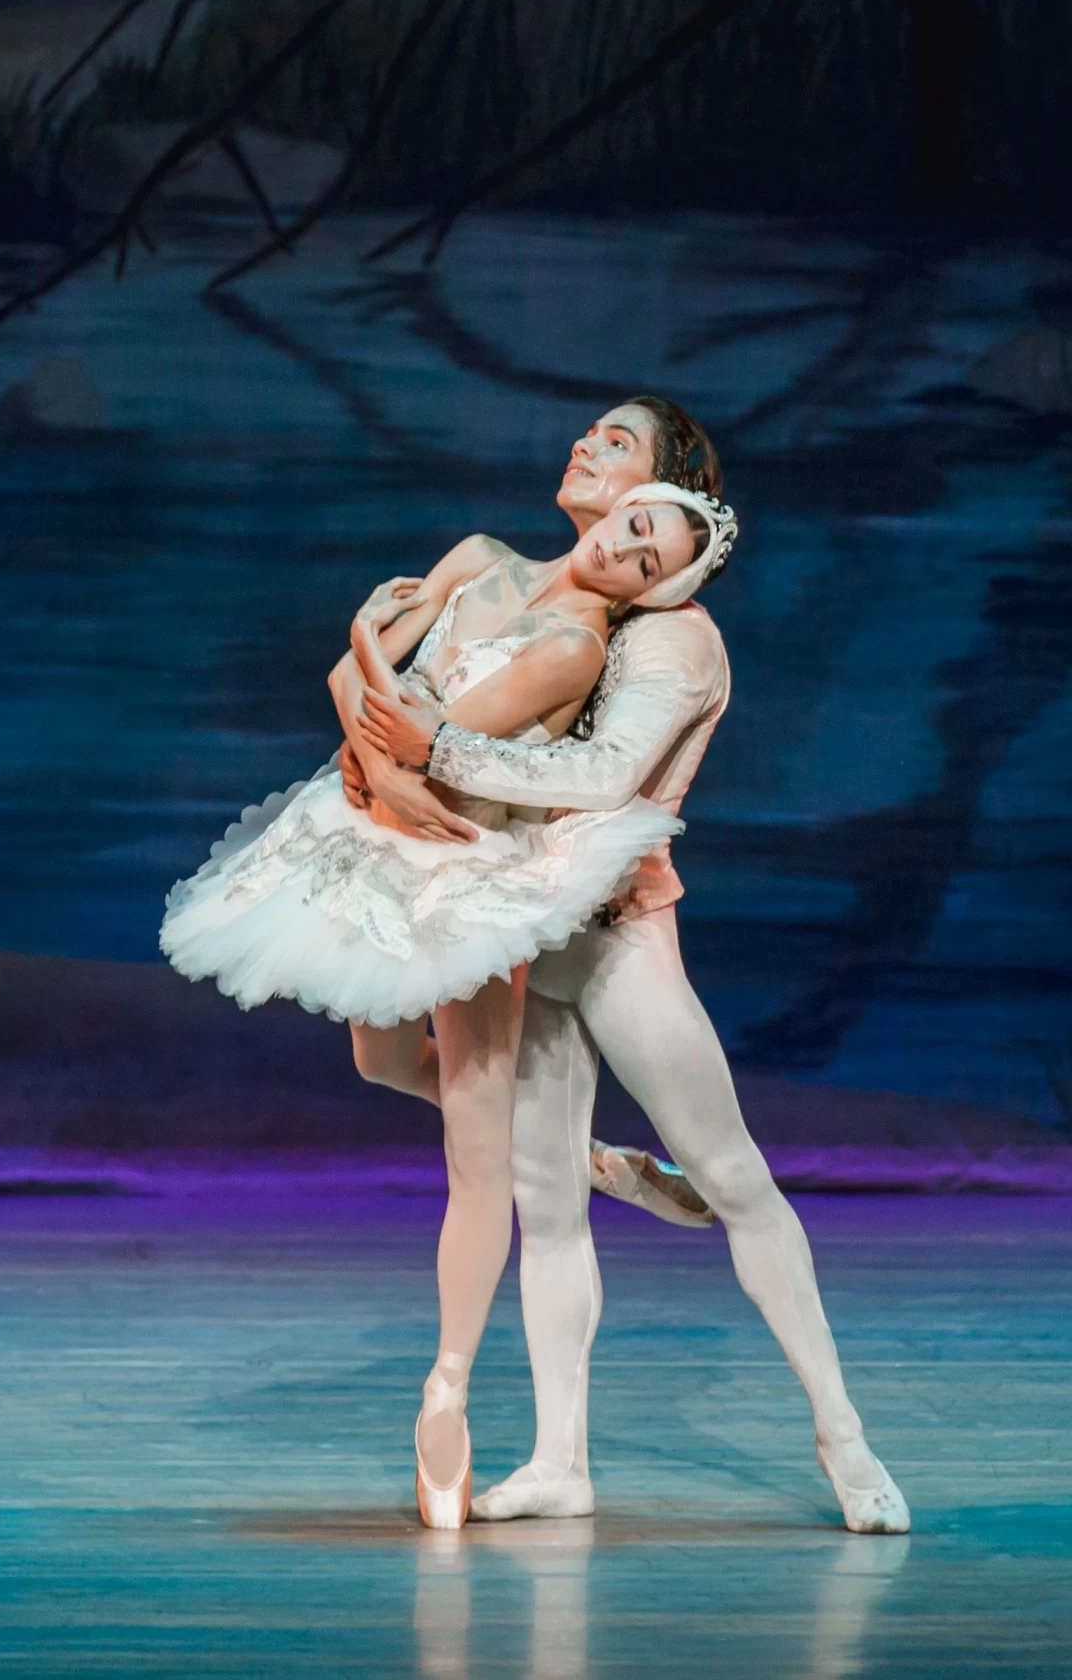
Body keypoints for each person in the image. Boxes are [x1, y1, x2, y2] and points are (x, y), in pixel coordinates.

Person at [356, 396, 910, 1536]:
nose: (594, 461)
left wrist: (441, 748)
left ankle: (843, 1437)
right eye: (595, 442)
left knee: (731, 1172)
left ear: (670, 514)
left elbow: (605, 776)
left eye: (624, 454)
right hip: (523, 924)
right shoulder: (537, 584)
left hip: (611, 930)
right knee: (543, 1200)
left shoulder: (672, 634)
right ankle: (562, 1459)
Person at [160, 481, 714, 1528]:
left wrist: (373, 667)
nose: (626, 549)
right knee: (379, 1063)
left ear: (656, 593)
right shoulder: (479, 553)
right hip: (375, 838)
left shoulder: (577, 650)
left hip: (461, 874)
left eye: (651, 561)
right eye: (634, 523)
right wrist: (366, 675)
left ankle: (446, 1395)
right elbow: (351, 686)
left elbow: (428, 729)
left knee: (475, 1151)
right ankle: (596, 1163)